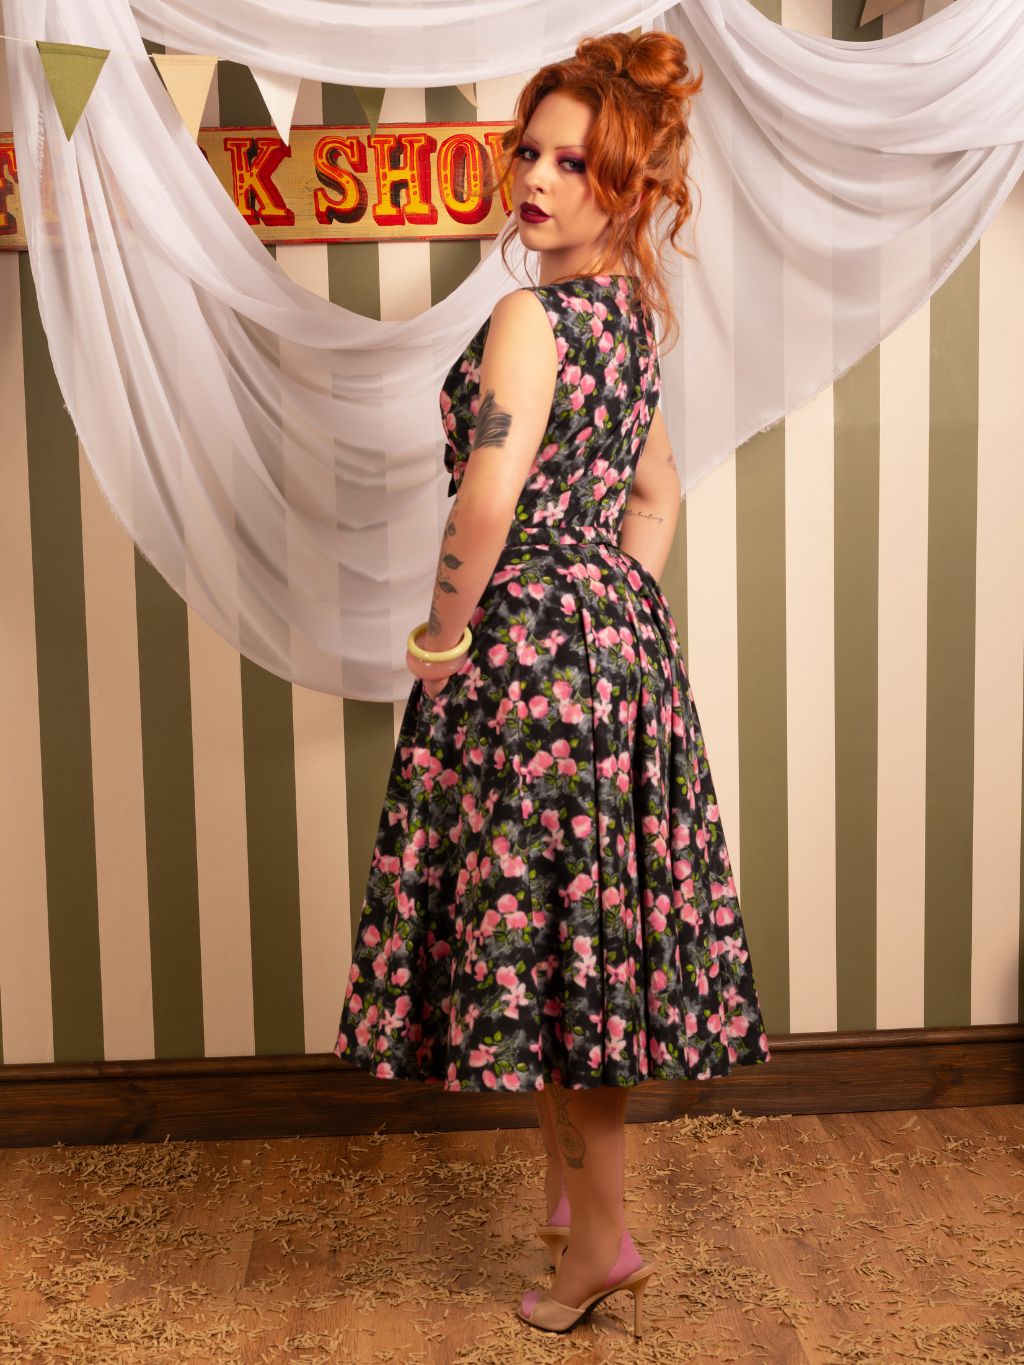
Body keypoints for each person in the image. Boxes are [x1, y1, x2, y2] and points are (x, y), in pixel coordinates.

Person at [333, 28, 772, 1339]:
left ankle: (602, 1243)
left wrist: (446, 635)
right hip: (615, 653)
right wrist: (611, 607)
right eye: (530, 150)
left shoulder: (530, 316)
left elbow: (484, 502)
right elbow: (656, 495)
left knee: (562, 960)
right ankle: (578, 1216)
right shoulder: (630, 319)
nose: (538, 178)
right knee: (587, 956)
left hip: (528, 660)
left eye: (574, 161)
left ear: (626, 185)